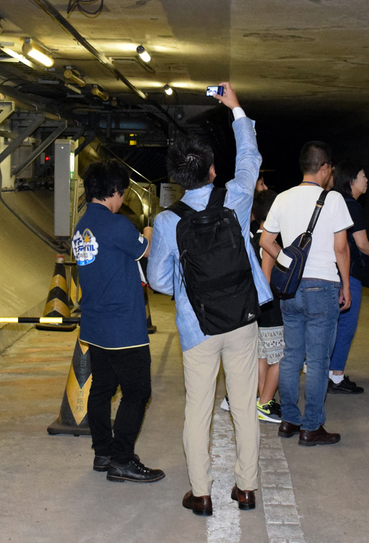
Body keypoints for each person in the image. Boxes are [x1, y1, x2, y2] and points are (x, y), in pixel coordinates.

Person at [147, 83, 270, 515]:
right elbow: (251, 159)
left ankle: (200, 493)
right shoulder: (235, 198)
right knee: (243, 406)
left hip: (196, 327)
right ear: (214, 170)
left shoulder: (167, 221)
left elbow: (159, 280)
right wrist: (235, 109)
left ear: (176, 177)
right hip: (240, 317)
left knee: (197, 408)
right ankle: (246, 488)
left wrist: (188, 287)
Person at [71, 159, 164, 483]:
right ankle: (122, 459)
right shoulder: (119, 226)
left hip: (95, 326)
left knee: (102, 389)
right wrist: (149, 231)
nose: (122, 199)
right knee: (137, 392)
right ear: (113, 191)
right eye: (122, 193)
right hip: (124, 328)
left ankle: (103, 452)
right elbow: (147, 250)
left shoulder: (81, 227)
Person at [261, 141, 353, 446]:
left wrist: (286, 260)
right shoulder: (334, 198)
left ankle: (290, 420)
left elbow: (266, 240)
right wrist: (347, 286)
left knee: (290, 356)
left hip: (291, 289)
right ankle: (312, 426)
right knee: (317, 361)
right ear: (325, 168)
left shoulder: (283, 198)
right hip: (323, 286)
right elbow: (341, 247)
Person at [328, 161, 369, 395]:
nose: (366, 180)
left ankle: (327, 371)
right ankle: (336, 377)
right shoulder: (353, 207)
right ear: (352, 180)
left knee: (332, 323)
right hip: (348, 272)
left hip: (330, 271)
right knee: (347, 325)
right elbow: (361, 243)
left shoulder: (333, 202)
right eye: (362, 175)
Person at [253, 189, 285, 421]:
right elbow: (266, 279)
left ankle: (263, 400)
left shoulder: (252, 237)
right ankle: (265, 402)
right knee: (283, 357)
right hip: (270, 308)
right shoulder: (268, 240)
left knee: (262, 356)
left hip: (255, 309)